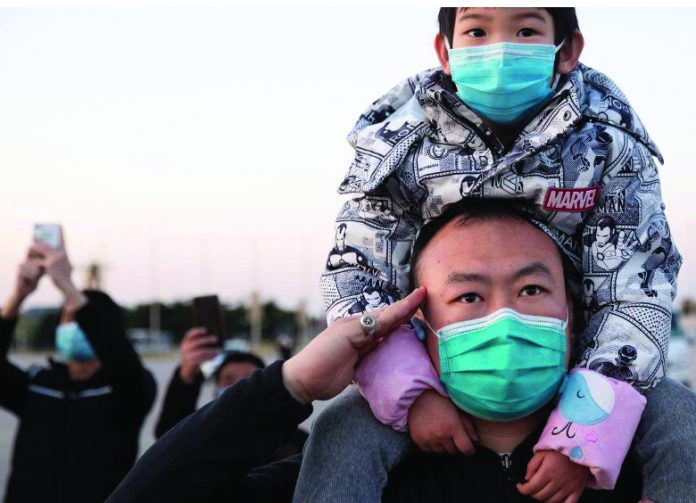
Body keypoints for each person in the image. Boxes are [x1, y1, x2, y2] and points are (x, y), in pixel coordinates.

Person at [316, 6, 681, 498]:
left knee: (679, 419)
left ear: (567, 49)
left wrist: (583, 435)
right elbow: (358, 274)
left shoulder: (608, 143)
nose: (500, 46)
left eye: (526, 29)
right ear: (445, 51)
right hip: (439, 356)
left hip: (579, 359)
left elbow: (638, 285)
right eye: (477, 30)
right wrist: (412, 391)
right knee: (342, 428)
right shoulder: (398, 143)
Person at [105, 201, 688, 503]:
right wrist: (291, 386)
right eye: (467, 295)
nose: (504, 316)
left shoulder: (653, 471)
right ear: (419, 324)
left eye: (532, 289)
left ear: (575, 314)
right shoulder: (352, 474)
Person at [0, 235, 156, 502]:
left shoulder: (127, 390)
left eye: (81, 318)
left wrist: (68, 287)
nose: (74, 325)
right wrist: (18, 296)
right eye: (68, 318)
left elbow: (123, 364)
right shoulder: (39, 384)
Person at [154, 328, 307, 459]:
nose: (238, 388)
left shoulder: (296, 444)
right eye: (229, 380)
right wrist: (186, 376)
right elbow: (168, 439)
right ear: (215, 392)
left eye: (249, 379)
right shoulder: (202, 440)